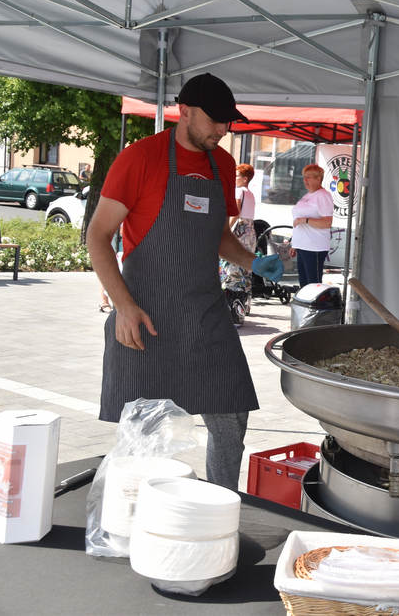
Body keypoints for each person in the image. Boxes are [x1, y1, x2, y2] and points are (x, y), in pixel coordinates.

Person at [87, 72, 283, 490]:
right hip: (146, 317)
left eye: (227, 122)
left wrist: (252, 262)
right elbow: (97, 236)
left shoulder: (223, 163)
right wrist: (123, 306)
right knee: (145, 432)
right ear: (185, 111)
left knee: (230, 415)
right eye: (214, 120)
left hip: (205, 314)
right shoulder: (139, 158)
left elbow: (215, 235)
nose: (222, 130)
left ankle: (222, 504)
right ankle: (138, 514)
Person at [219, 163, 257, 322]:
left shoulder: (239, 191)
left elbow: (235, 212)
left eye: (236, 176)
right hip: (249, 231)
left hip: (239, 231)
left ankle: (233, 308)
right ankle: (243, 305)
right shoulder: (250, 194)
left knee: (232, 267)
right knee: (245, 268)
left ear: (245, 178)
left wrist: (224, 229)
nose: (234, 179)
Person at [290, 163, 333, 287]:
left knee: (313, 283)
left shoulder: (323, 196)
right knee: (304, 283)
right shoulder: (307, 196)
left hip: (314, 247)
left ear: (318, 179)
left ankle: (316, 306)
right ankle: (305, 306)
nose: (305, 180)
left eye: (309, 177)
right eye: (304, 177)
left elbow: (327, 222)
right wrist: (295, 243)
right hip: (303, 245)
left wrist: (306, 220)